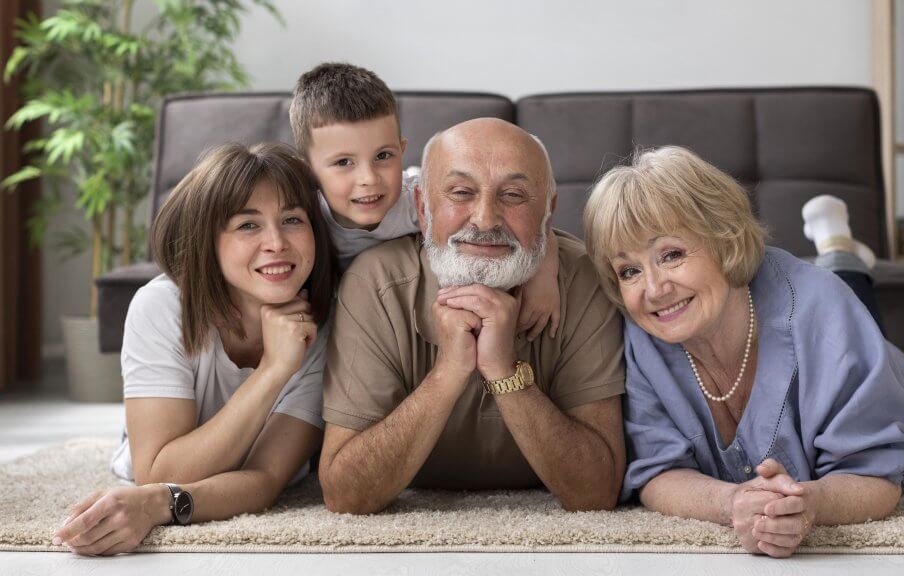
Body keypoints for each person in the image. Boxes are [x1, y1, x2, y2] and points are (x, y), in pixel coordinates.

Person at [582, 146, 904, 558]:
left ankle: (840, 247)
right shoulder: (642, 334)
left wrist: (808, 505)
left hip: (876, 363)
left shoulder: (824, 313)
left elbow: (875, 474)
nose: (653, 290)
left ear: (724, 239)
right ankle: (839, 248)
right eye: (629, 271)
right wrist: (734, 504)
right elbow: (657, 473)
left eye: (671, 255)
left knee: (844, 297)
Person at [318, 118, 626, 514]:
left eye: (514, 195)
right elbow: (345, 495)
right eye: (461, 193)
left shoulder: (584, 278)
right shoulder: (374, 282)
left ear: (548, 212)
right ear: (422, 208)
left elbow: (596, 492)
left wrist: (503, 371)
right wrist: (448, 372)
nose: (485, 219)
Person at [52, 143, 339, 555]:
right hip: (159, 448)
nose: (276, 242)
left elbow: (264, 480)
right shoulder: (161, 306)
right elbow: (157, 471)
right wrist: (272, 371)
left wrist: (160, 505)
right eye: (247, 225)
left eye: (292, 219)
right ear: (208, 239)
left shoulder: (323, 326)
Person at [289, 62, 560, 341]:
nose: (368, 178)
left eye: (383, 156)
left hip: (400, 315)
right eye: (344, 162)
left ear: (402, 150)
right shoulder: (303, 218)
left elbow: (534, 224)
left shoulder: (418, 198)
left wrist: (544, 278)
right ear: (307, 170)